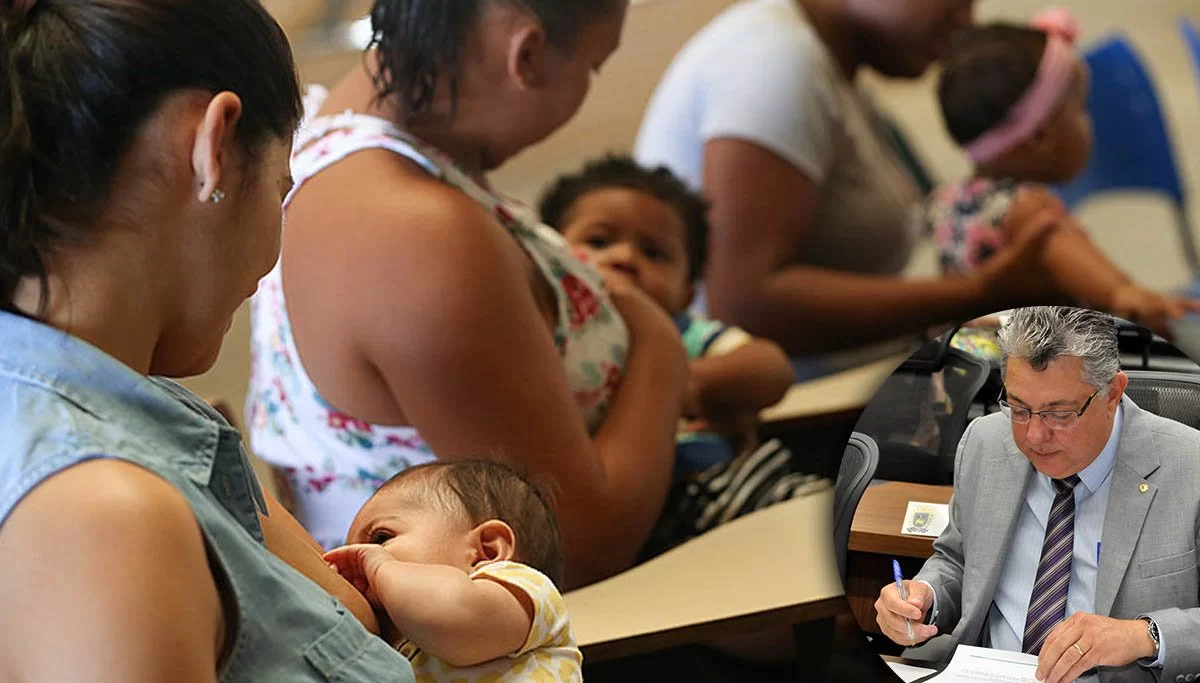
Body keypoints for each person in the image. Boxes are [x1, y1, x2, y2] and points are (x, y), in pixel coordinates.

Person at [0, 0, 415, 680]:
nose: (268, 256)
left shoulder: (158, 415)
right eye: (281, 188)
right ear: (212, 147)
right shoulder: (104, 516)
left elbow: (339, 607)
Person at [245, 0, 692, 589]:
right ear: (527, 54)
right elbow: (577, 546)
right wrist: (658, 341)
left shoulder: (349, 127)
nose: (586, 85)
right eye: (594, 65)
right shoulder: (415, 236)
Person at [633, 0, 1074, 379]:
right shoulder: (773, 61)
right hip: (785, 422)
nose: (966, 18)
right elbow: (745, 305)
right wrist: (980, 292)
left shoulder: (825, 65)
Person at [874, 307, 1200, 683]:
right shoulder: (984, 441)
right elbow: (958, 560)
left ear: (1112, 393)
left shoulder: (1189, 466)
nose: (1033, 437)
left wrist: (1146, 636)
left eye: (1059, 414)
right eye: (1019, 409)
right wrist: (924, 597)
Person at [930, 10, 1197, 362]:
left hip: (981, 360)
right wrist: (1126, 293)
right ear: (1040, 136)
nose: (1088, 123)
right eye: (1080, 110)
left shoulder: (946, 201)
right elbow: (1110, 288)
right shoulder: (1030, 209)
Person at [538, 155, 795, 478]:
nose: (625, 257)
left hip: (719, 481)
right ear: (548, 259)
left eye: (654, 253)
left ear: (687, 292)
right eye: (599, 242)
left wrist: (683, 386)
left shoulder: (684, 332)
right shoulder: (552, 337)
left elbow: (771, 367)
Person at [325, 459, 581, 682]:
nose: (361, 562)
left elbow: (449, 616)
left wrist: (382, 567)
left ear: (487, 551)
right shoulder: (404, 644)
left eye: (380, 539)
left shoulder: (524, 591)